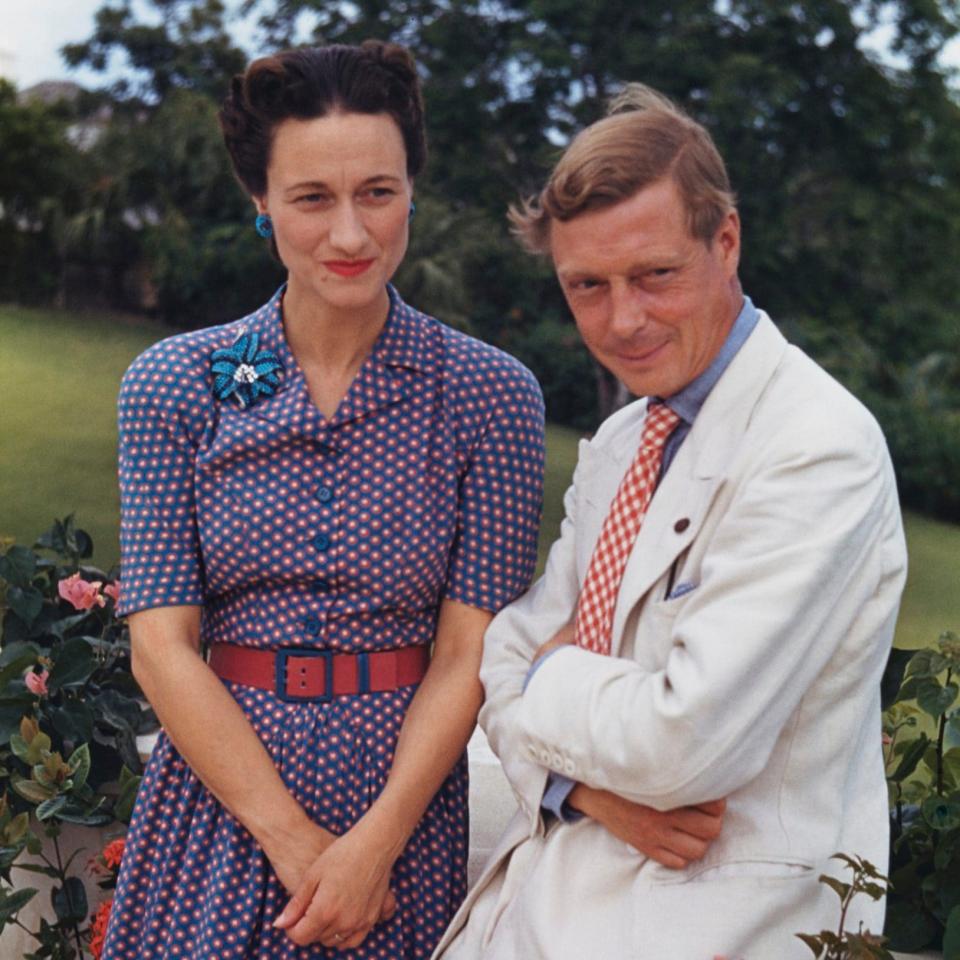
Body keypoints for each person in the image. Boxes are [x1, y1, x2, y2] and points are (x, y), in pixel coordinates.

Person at [434, 84, 906, 959]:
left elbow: (682, 746)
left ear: (726, 241)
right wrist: (584, 792)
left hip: (709, 928)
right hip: (539, 909)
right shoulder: (622, 440)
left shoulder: (818, 447)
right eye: (587, 286)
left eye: (656, 275)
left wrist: (548, 675)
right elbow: (499, 661)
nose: (624, 320)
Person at [101, 41, 544, 960]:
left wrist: (370, 849)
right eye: (312, 198)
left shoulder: (488, 396)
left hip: (399, 812)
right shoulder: (177, 385)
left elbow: (470, 653)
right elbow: (160, 646)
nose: (351, 235)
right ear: (259, 201)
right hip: (219, 801)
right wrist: (295, 844)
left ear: (412, 188)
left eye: (377, 192)